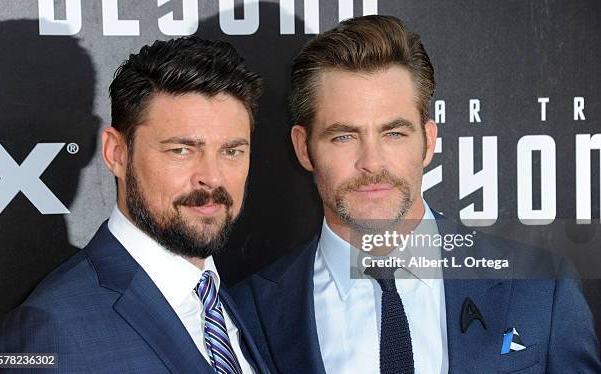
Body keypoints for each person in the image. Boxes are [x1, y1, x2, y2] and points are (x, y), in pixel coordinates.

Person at [230, 15, 601, 373]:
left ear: (427, 142)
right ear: (304, 148)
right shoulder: (248, 315)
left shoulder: (541, 287)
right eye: (344, 136)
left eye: (394, 133)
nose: (372, 163)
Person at [0, 36, 268, 374]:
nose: (212, 177)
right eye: (181, 150)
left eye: (232, 151)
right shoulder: (49, 332)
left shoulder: (240, 305)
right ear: (116, 153)